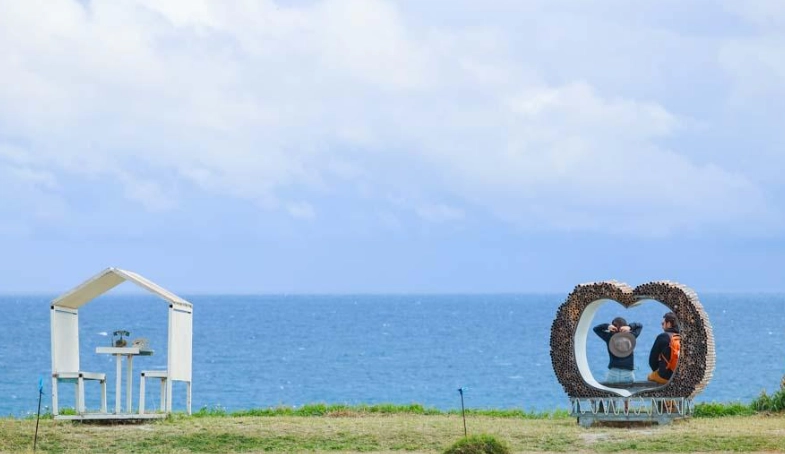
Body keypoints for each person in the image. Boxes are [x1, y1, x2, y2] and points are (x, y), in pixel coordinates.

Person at [593, 317, 643, 384]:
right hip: (627, 373)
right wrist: (630, 327)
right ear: (625, 326)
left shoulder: (609, 337)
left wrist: (607, 326)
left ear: (613, 327)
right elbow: (640, 326)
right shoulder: (631, 336)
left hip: (613, 373)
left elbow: (596, 329)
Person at [648, 312, 680, 384]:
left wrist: (658, 371)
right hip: (680, 376)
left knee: (650, 377)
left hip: (666, 376)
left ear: (669, 324)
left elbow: (652, 360)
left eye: (663, 324)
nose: (662, 326)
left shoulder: (663, 337)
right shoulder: (681, 337)